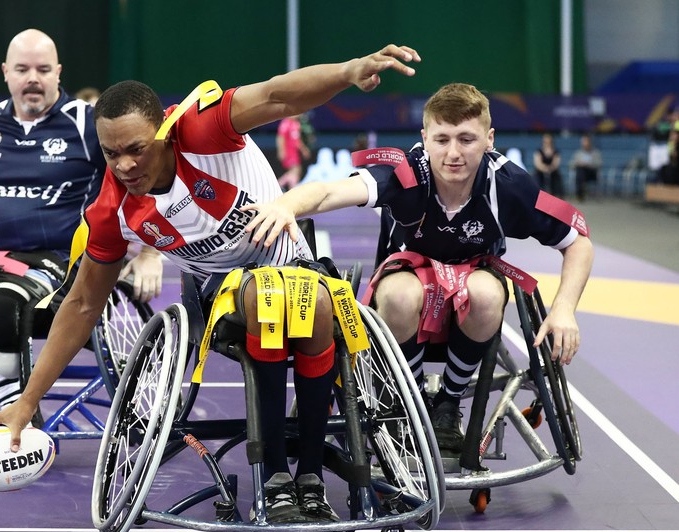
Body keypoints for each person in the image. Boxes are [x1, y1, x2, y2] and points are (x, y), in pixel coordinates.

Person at [0, 43, 422, 532]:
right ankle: (275, 482)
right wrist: (28, 401)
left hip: (292, 266)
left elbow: (277, 94)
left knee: (304, 301)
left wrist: (347, 71)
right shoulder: (112, 209)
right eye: (110, 153)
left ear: (162, 131)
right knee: (267, 298)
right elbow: (81, 304)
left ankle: (311, 479)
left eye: (136, 149)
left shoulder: (202, 129)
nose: (123, 165)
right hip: (218, 297)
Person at [241, 82, 594, 456]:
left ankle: (447, 403)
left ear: (489, 139)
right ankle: (408, 401)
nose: (453, 153)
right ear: (425, 138)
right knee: (400, 293)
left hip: (474, 286)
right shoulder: (406, 174)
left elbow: (578, 240)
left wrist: (564, 309)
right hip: (406, 285)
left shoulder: (508, 185)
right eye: (442, 140)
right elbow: (329, 192)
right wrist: (285, 207)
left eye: (466, 139)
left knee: (489, 294)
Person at [0, 29, 163, 413]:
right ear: (6, 72)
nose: (32, 79)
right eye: (22, 69)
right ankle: (6, 393)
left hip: (59, 254)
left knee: (0, 310)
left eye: (42, 69)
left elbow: (138, 179)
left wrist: (147, 252)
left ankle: (16, 405)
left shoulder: (85, 123)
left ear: (58, 73)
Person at [276, 115, 312, 190]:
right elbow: (280, 138)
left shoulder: (296, 124)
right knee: (295, 170)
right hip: (288, 152)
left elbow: (298, 141)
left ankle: (282, 186)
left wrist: (304, 150)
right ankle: (286, 187)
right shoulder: (285, 123)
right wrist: (281, 151)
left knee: (296, 170)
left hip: (294, 153)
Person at [569, 133, 602, 201]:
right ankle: (581, 194)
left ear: (590, 142)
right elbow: (571, 164)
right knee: (580, 170)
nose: (584, 143)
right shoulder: (578, 153)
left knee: (581, 172)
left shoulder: (595, 152)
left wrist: (589, 164)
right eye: (583, 141)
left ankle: (580, 194)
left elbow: (599, 164)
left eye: (585, 141)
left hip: (592, 173)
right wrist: (578, 163)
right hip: (581, 173)